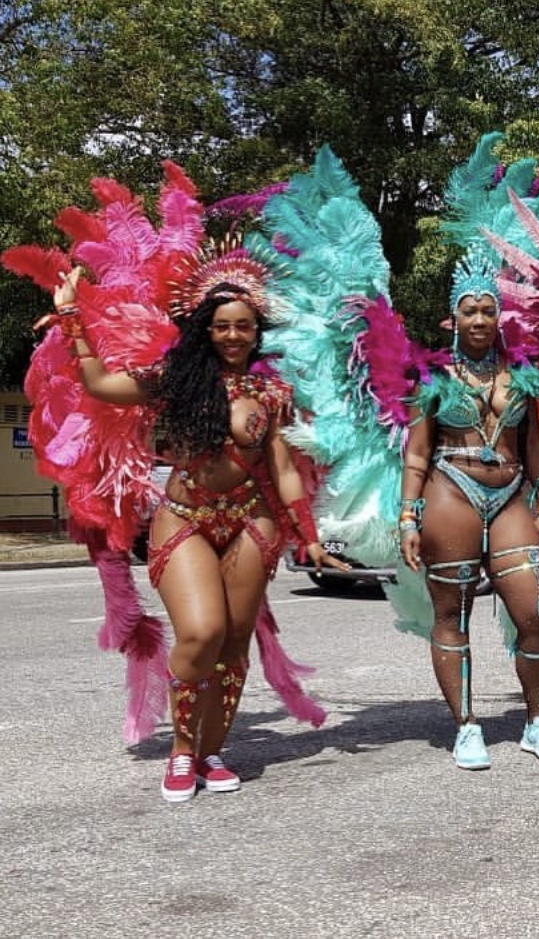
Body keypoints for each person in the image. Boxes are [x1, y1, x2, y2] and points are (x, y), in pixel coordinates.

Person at [53, 265, 347, 802]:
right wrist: (73, 315)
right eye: (222, 325)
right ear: (204, 329)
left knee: (235, 642)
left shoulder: (270, 391)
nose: (234, 335)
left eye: (244, 326)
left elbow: (281, 467)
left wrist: (307, 533)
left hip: (250, 522)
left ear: (257, 332)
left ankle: (213, 750)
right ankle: (182, 749)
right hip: (184, 518)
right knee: (202, 632)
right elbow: (98, 384)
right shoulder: (171, 380)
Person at [397, 259, 539, 770]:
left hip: (512, 491)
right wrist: (408, 516)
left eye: (487, 311)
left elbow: (533, 444)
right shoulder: (432, 378)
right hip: (451, 490)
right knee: (453, 615)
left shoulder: (521, 377)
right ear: (454, 319)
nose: (478, 320)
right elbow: (416, 452)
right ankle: (467, 726)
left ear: (499, 318)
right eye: (469, 311)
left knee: (534, 613)